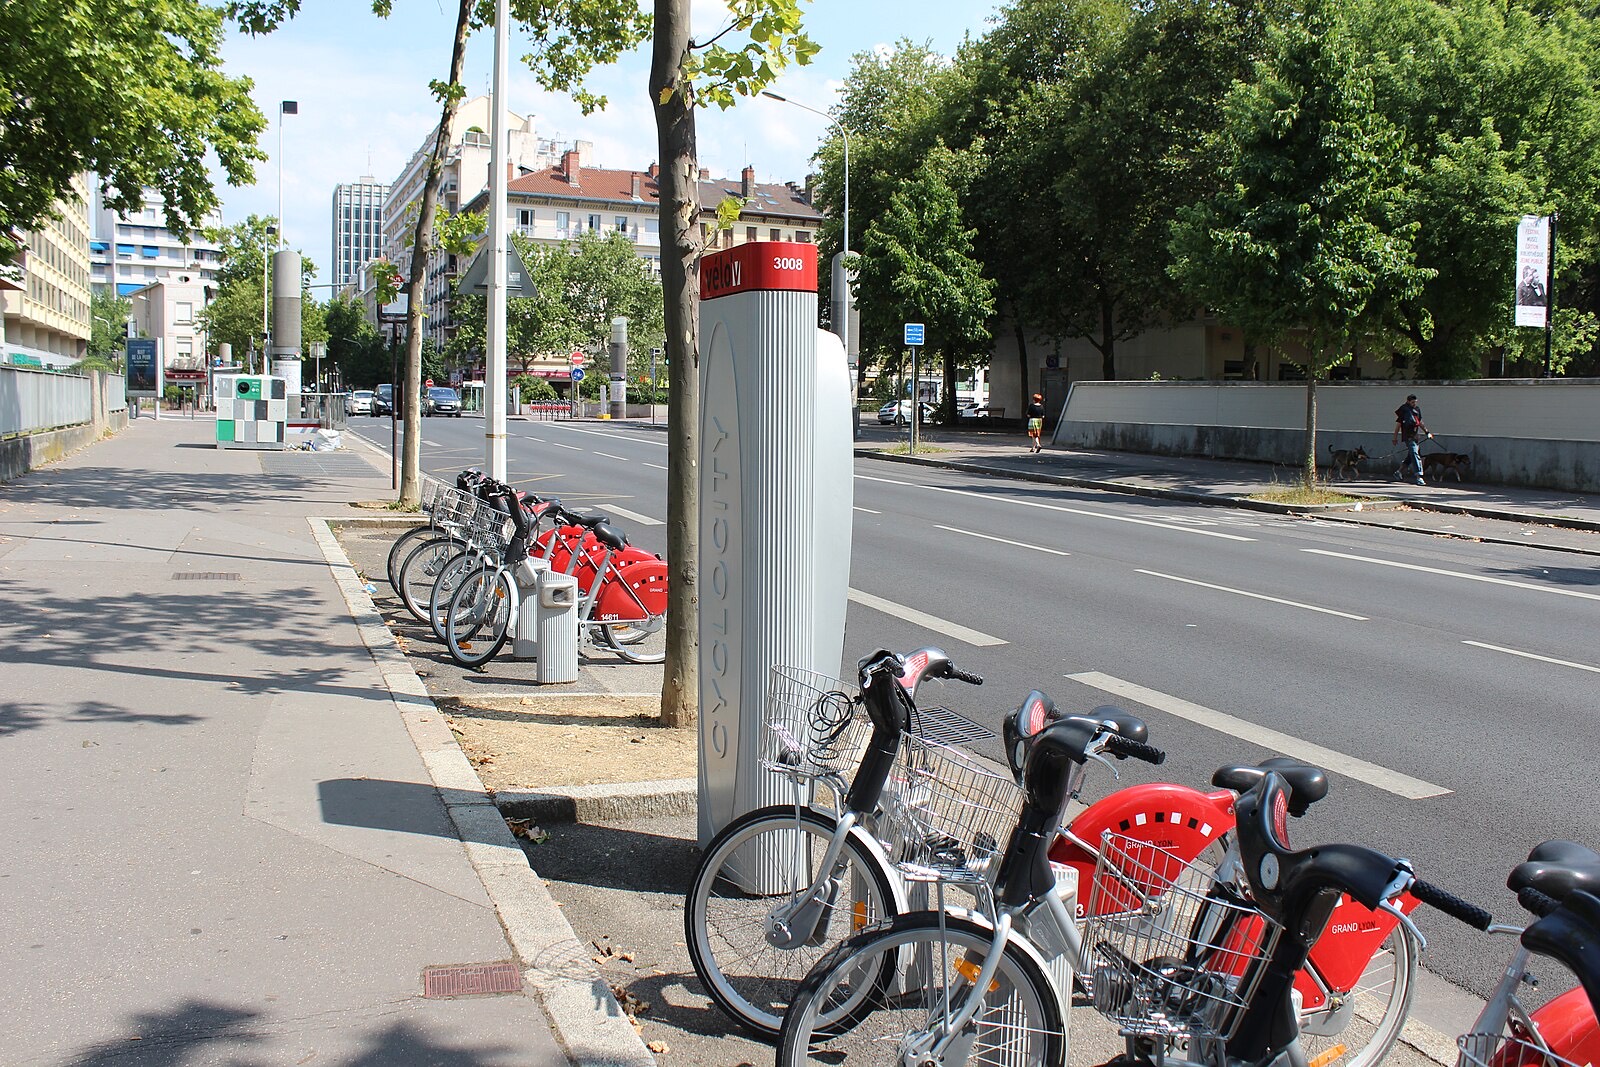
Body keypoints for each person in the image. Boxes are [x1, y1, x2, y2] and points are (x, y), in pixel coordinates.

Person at [1392, 393, 1431, 486]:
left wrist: (1427, 432)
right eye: (1412, 402)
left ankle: (1398, 472)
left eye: (1415, 402)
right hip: (1408, 436)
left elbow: (1420, 422)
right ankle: (1419, 476)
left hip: (1415, 436)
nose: (1414, 404)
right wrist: (1395, 438)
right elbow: (1398, 425)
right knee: (1414, 454)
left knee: (1411, 455)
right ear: (1408, 401)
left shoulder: (1417, 410)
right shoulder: (1404, 410)